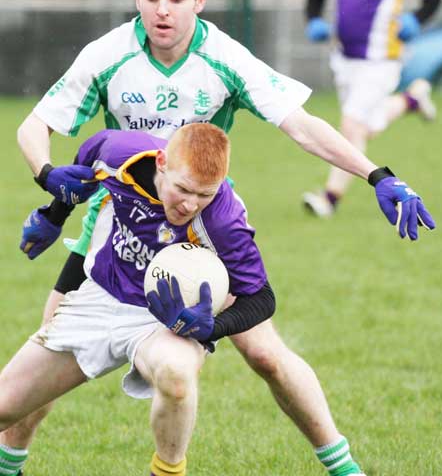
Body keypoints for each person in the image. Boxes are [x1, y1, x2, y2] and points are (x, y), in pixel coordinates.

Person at [7, 0, 434, 476]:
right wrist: (49, 186)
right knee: (46, 353)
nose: (164, 9)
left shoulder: (225, 59)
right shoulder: (107, 54)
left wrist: (376, 174)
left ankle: (344, 468)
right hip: (114, 230)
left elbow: (301, 126)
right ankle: (10, 464)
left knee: (266, 356)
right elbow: (37, 127)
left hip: (201, 233)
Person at [1, 123, 280, 476]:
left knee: (177, 377)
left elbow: (262, 297)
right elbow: (86, 166)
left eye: (205, 194)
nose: (191, 204)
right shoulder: (120, 153)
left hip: (163, 323)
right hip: (99, 299)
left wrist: (213, 327)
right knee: (4, 408)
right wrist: (54, 216)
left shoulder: (223, 219)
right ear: (161, 162)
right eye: (183, 189)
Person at [302, 0, 442, 217]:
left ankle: (330, 198)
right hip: (344, 59)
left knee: (351, 125)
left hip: (382, 60)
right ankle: (412, 100)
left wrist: (415, 20)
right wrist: (314, 19)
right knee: (367, 128)